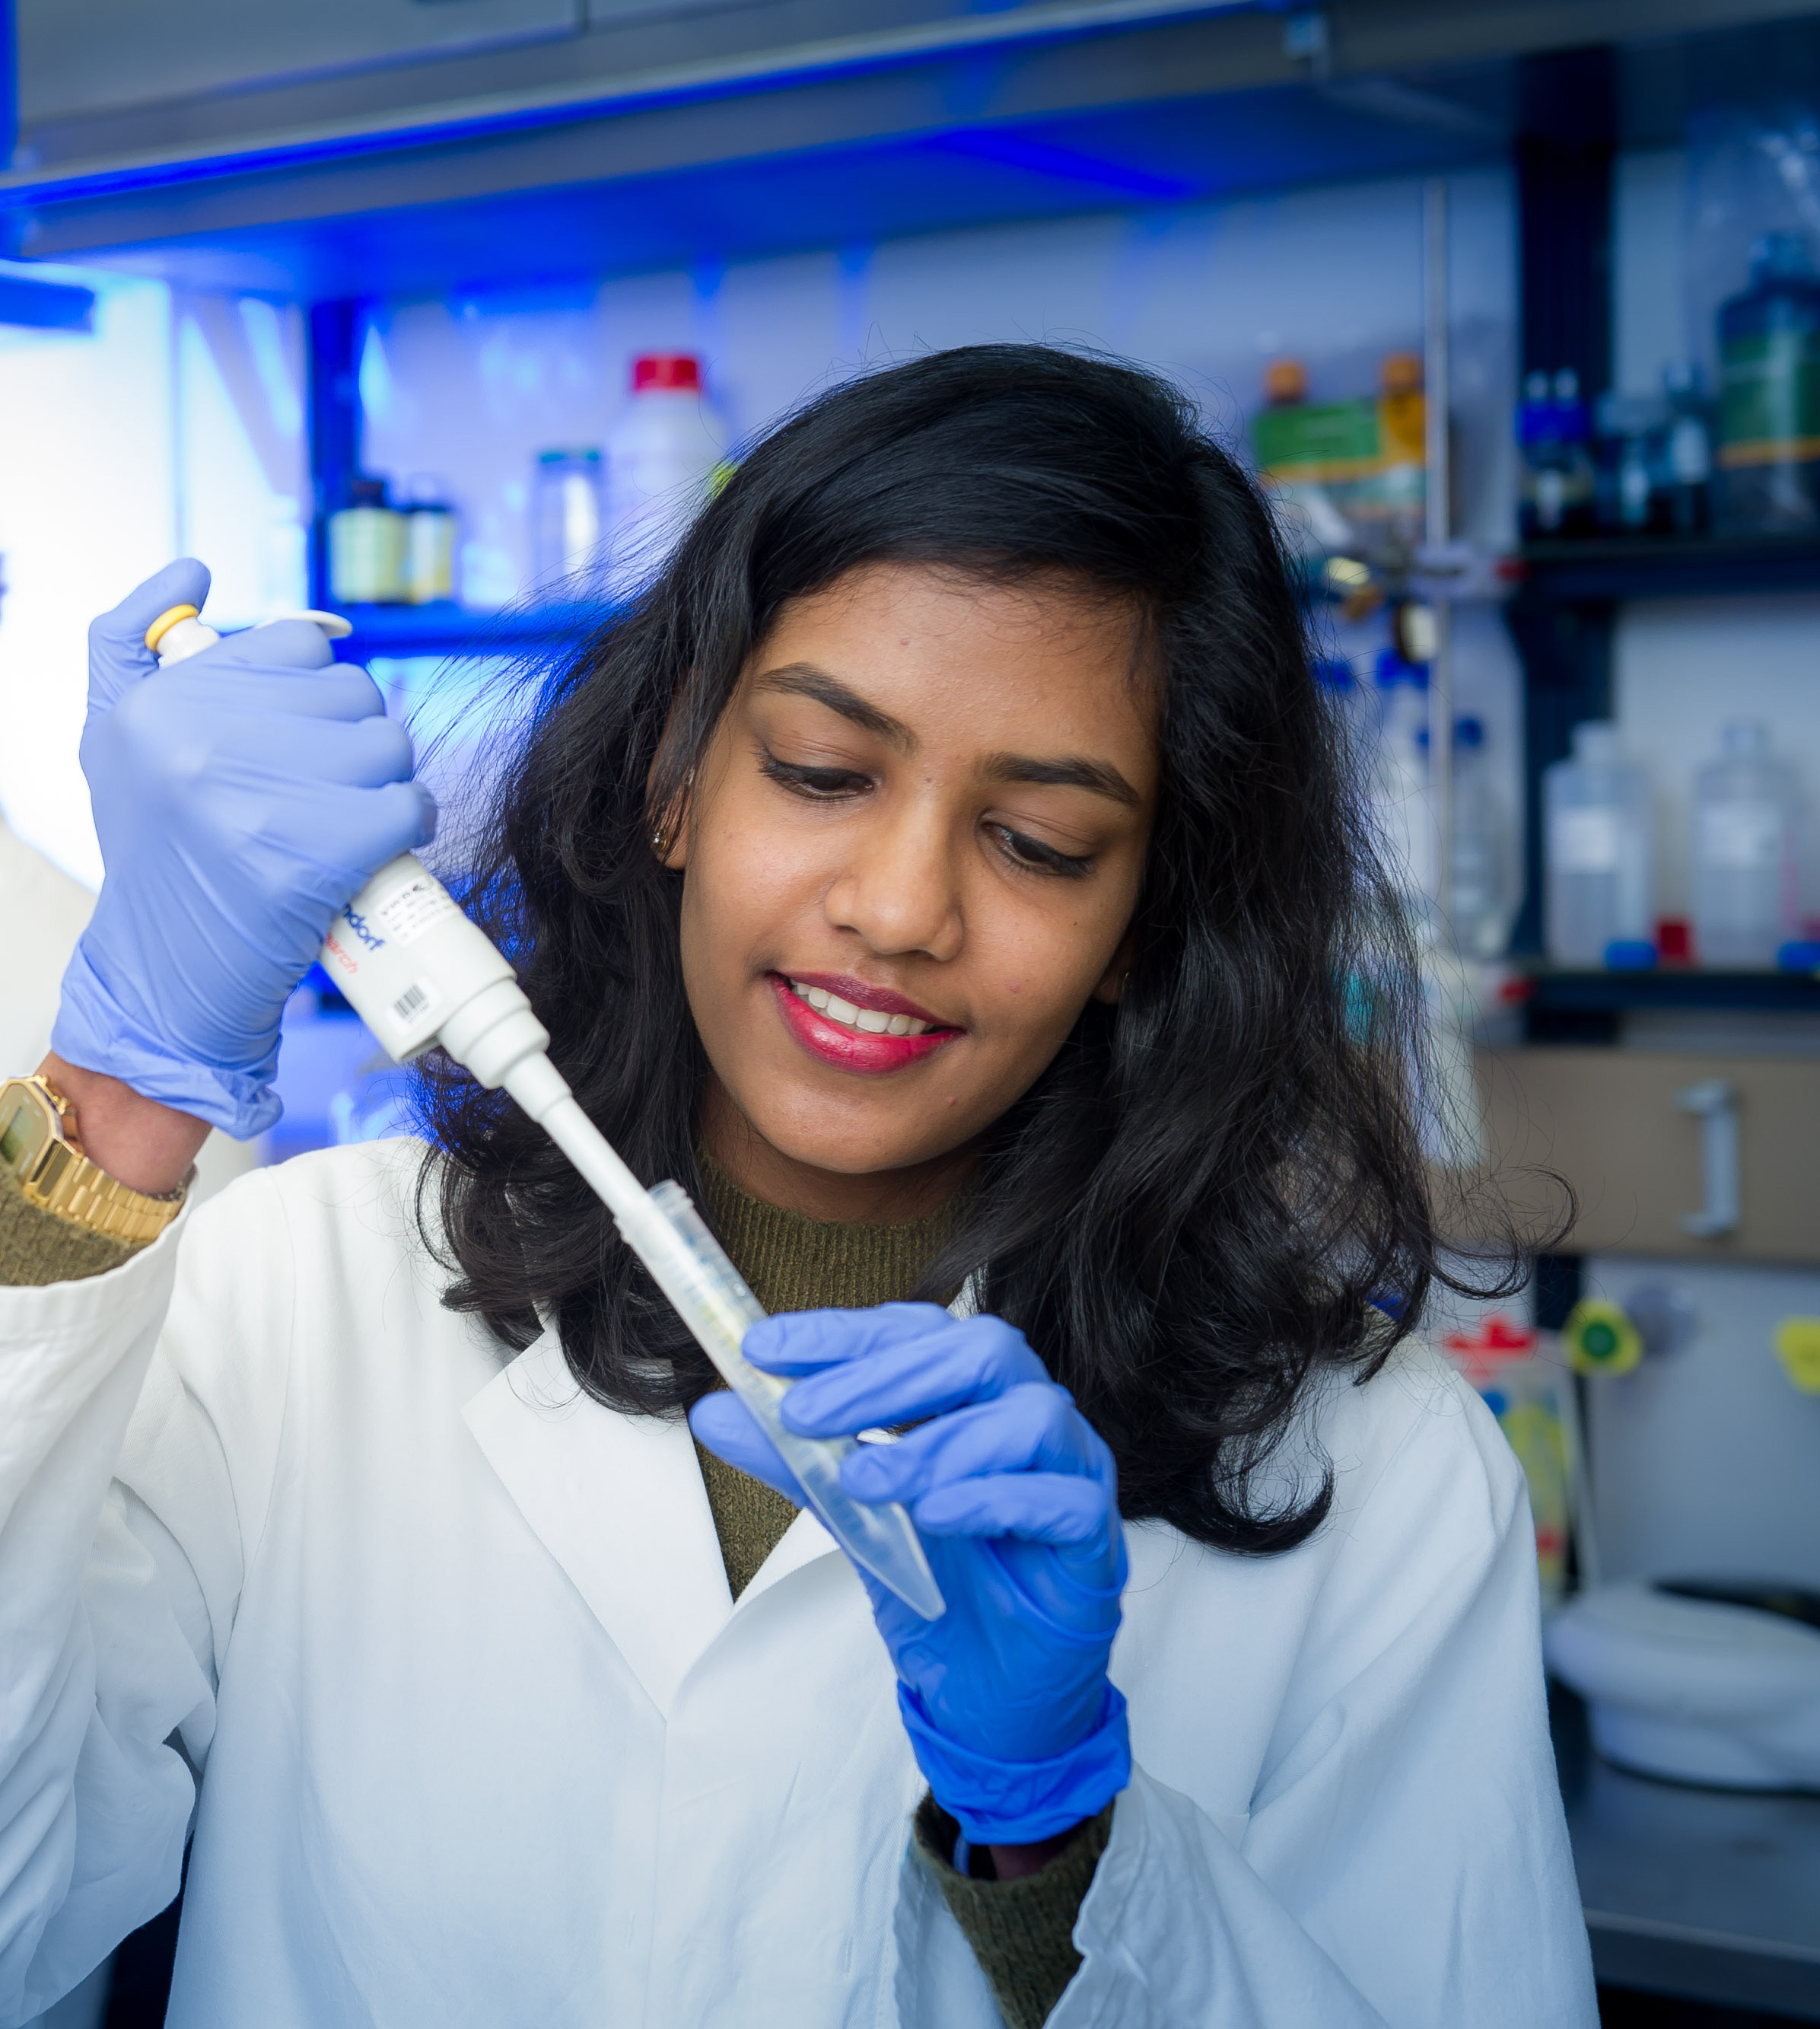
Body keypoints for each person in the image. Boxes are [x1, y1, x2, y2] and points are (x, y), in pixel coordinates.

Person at [0, 348, 1596, 2028]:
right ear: (677, 776)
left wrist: (1055, 1835)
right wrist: (112, 1099)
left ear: (1145, 920)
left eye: (1039, 843)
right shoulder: (300, 1302)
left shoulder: (1373, 1472)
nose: (900, 907)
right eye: (824, 773)